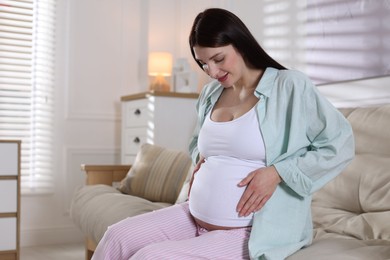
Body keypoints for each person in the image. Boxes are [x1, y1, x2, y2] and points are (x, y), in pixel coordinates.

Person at [92, 8, 354, 260]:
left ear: (240, 44)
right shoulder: (211, 93)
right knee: (117, 236)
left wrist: (277, 172)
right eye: (203, 64)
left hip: (254, 230)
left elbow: (338, 144)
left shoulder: (289, 87)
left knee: (151, 257)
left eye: (218, 59)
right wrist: (200, 163)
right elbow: (198, 143)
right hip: (193, 214)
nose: (212, 72)